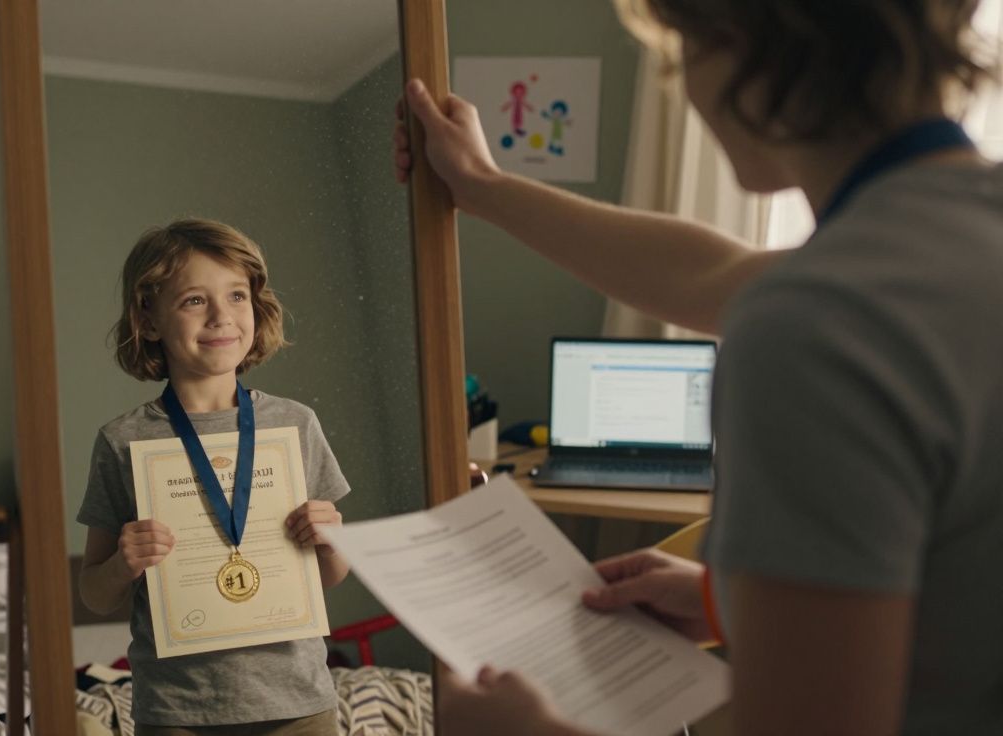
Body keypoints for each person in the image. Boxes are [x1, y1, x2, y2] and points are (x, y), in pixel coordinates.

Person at [394, 1, 1002, 734]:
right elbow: (714, 275)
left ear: (738, 45)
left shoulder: (818, 319)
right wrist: (483, 189)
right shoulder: (942, 245)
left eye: (680, 54)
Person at [75, 218, 351, 736]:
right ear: (150, 319)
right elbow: (94, 592)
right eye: (194, 301)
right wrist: (123, 564)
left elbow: (329, 576)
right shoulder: (123, 440)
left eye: (237, 296)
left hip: (299, 701)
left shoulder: (294, 424)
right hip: (178, 711)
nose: (222, 316)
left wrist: (332, 542)